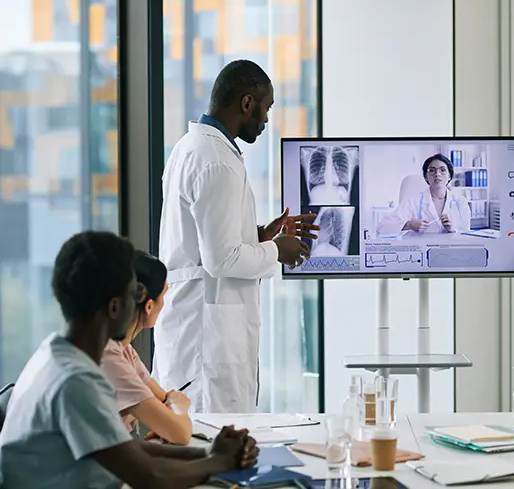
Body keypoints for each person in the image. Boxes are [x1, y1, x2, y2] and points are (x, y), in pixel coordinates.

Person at [0, 231, 258, 488]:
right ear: (115, 307)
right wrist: (220, 462)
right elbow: (150, 477)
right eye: (135, 291)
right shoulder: (77, 380)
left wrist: (211, 453)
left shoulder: (54, 355)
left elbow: (126, 449)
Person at [154, 59, 319, 414]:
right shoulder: (217, 161)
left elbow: (202, 241)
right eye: (266, 108)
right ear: (247, 103)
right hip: (206, 342)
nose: (266, 120)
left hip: (194, 328)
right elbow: (221, 259)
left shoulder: (190, 148)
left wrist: (260, 235)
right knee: (211, 448)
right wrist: (277, 251)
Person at [100, 250, 194, 444]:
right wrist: (179, 407)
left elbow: (162, 398)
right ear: (149, 306)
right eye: (163, 295)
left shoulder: (122, 350)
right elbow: (181, 433)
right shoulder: (108, 357)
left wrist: (169, 414)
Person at [376, 153, 471, 236]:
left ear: (449, 176)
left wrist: (452, 229)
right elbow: (382, 228)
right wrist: (409, 224)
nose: (437, 174)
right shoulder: (413, 201)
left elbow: (468, 235)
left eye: (442, 170)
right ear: (426, 176)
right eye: (432, 170)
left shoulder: (460, 202)